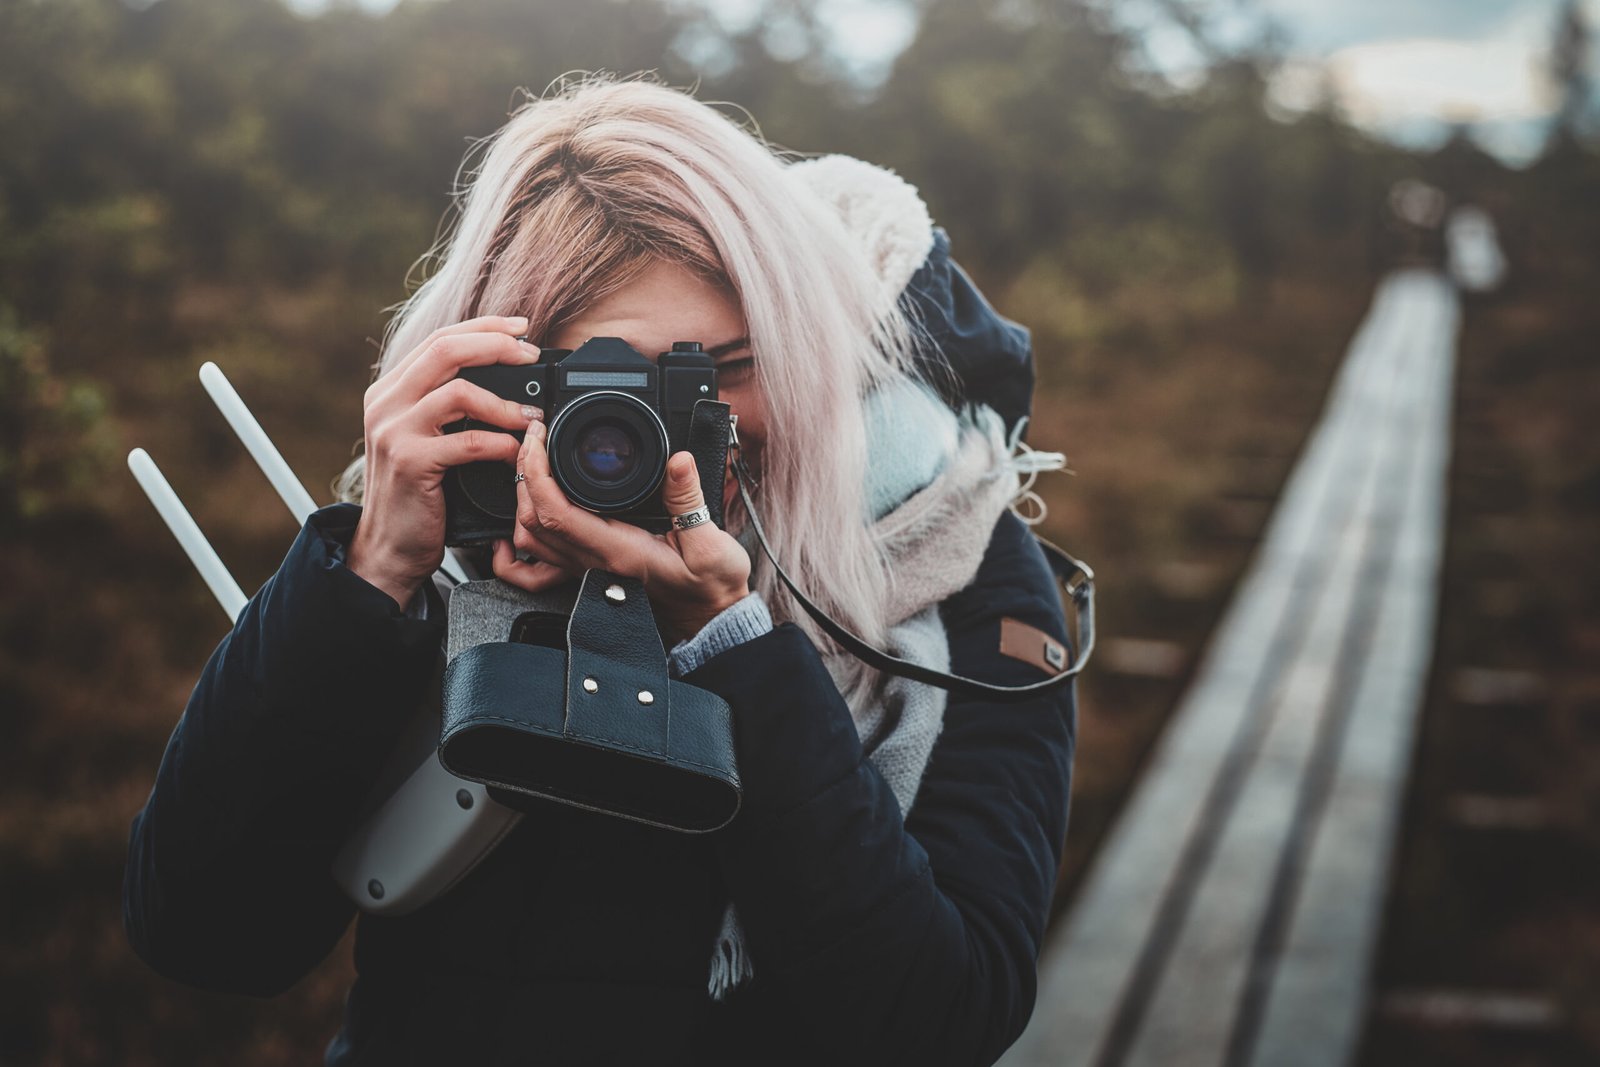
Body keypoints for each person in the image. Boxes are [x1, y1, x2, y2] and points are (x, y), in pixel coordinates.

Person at [123, 76, 1078, 1066]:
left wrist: (726, 641)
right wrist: (372, 569)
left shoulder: (952, 557)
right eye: (606, 389)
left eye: (725, 370)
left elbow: (945, 1018)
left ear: (812, 350)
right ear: (509, 379)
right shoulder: (443, 553)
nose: (676, 434)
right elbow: (204, 937)